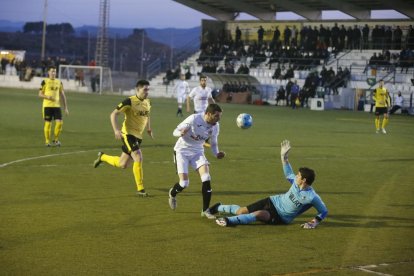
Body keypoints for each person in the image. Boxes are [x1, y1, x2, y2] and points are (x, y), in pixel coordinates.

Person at [211, 140, 328, 228]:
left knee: (258, 214)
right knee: (241, 211)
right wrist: (284, 157)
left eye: (298, 176)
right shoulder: (296, 183)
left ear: (304, 180)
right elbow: (288, 174)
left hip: (281, 217)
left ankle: (229, 221)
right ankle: (218, 207)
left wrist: (313, 223)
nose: (296, 176)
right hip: (272, 201)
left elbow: (323, 211)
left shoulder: (312, 197)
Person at [93, 80, 154, 197]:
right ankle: (140, 188)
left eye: (148, 89)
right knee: (138, 156)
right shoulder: (129, 101)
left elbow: (147, 115)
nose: (147, 92)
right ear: (138, 89)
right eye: (145, 89)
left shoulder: (148, 102)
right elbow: (113, 114)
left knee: (123, 164)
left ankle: (102, 157)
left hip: (138, 136)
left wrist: (149, 129)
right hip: (128, 134)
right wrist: (116, 130)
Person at [168, 103, 226, 219]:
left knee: (206, 178)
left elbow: (214, 144)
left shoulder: (215, 126)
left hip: (198, 152)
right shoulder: (194, 118)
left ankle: (205, 210)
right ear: (208, 114)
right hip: (182, 151)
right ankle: (172, 194)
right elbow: (175, 131)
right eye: (216, 116)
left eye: (220, 116)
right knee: (184, 183)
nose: (218, 119)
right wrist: (180, 133)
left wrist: (217, 154)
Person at [38, 66, 69, 147]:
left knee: (60, 123)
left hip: (57, 106)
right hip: (47, 106)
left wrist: (65, 107)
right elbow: (40, 94)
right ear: (48, 72)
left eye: (55, 71)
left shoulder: (59, 82)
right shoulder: (44, 82)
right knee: (48, 124)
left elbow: (63, 95)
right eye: (52, 71)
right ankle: (47, 141)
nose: (53, 73)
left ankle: (55, 140)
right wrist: (48, 97)